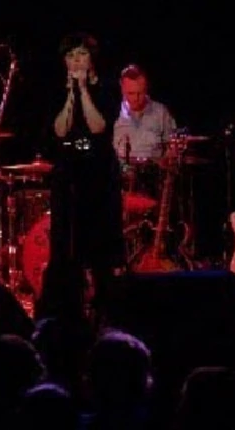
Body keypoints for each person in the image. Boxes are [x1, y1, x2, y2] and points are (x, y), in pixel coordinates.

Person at [42, 32, 124, 319]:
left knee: (100, 244)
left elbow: (98, 126)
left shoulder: (109, 88)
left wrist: (84, 91)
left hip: (99, 172)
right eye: (70, 56)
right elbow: (60, 130)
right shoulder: (57, 91)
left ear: (92, 59)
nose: (76, 61)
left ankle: (105, 309)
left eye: (81, 55)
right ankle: (67, 310)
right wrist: (70, 94)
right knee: (66, 244)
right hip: (68, 172)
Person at [113, 64, 177, 162]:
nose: (135, 98)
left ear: (146, 88)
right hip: (120, 173)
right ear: (122, 89)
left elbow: (171, 145)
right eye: (131, 93)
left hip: (154, 173)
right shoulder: (114, 112)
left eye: (140, 93)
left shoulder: (161, 112)